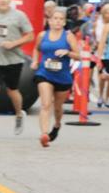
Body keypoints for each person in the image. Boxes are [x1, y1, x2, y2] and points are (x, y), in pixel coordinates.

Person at [30, 9, 80, 147]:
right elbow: (36, 48)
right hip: (44, 73)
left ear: (64, 22)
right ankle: (44, 134)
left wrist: (67, 52)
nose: (57, 21)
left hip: (62, 77)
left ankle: (57, 124)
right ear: (49, 21)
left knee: (57, 108)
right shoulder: (42, 35)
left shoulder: (68, 36)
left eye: (60, 19)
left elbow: (79, 55)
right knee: (46, 104)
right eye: (55, 18)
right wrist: (35, 61)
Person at [0, 0, 34, 134]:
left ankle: (19, 114)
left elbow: (30, 36)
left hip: (13, 59)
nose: (3, 0)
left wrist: (13, 44)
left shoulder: (19, 15)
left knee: (12, 90)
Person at [94, 3, 109, 109]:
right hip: (101, 53)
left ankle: (107, 98)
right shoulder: (98, 23)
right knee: (102, 77)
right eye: (106, 12)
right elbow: (97, 38)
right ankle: (101, 95)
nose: (108, 14)